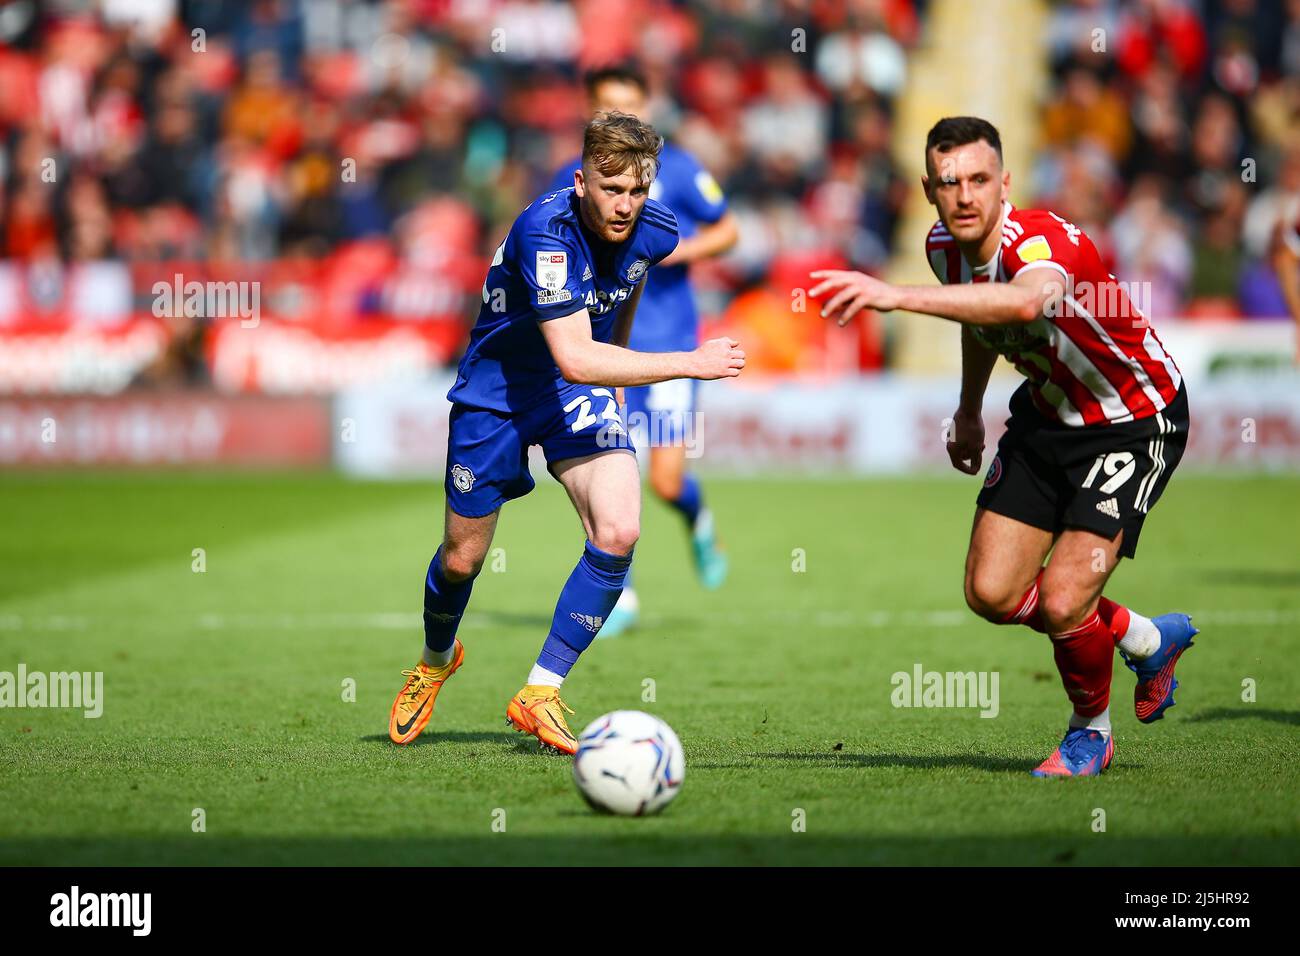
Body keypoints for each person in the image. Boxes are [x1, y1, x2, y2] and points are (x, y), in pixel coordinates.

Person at [810, 116, 1197, 777]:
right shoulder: (943, 247)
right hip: (1047, 417)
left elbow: (1021, 306)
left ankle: (1090, 734)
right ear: (930, 190)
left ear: (1005, 183)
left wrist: (895, 297)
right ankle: (1145, 636)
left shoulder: (1044, 244)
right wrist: (967, 410)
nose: (965, 196)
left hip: (1133, 419)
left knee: (1064, 598)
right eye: (949, 182)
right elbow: (975, 314)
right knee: (991, 593)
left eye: (979, 180)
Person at [388, 112, 746, 753]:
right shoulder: (545, 234)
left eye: (638, 191)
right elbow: (574, 356)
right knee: (461, 557)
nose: (625, 205)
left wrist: (618, 363)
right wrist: (690, 361)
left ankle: (540, 690)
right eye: (612, 189)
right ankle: (434, 660)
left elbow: (628, 287)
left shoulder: (655, 228)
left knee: (620, 528)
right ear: (582, 181)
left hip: (574, 392)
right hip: (497, 393)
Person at [548, 66, 739, 637]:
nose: (621, 117)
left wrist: (669, 253)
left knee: (665, 482)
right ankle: (620, 595)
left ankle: (698, 519)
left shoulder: (677, 168)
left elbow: (728, 230)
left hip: (672, 345)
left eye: (630, 106)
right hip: (604, 352)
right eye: (608, 108)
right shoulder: (575, 177)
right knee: (610, 473)